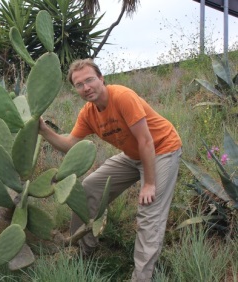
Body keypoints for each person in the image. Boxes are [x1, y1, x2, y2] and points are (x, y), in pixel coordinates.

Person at [39, 58, 182, 281]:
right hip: (133, 155)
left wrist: (150, 184)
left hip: (161, 149)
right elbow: (69, 145)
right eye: (79, 84)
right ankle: (84, 252)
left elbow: (146, 141)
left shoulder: (122, 96)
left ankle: (141, 277)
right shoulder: (88, 113)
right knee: (88, 188)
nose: (86, 87)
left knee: (149, 212)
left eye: (89, 80)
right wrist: (43, 130)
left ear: (101, 78)